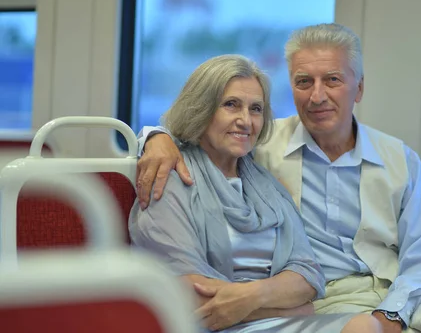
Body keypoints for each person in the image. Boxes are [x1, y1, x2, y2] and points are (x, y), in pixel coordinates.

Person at [136, 24, 421, 333]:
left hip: (394, 294)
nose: (317, 96)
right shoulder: (261, 148)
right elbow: (202, 131)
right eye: (303, 82)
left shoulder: (400, 159)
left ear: (359, 88)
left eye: (332, 80)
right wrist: (156, 138)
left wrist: (393, 314)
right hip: (319, 298)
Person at [129, 55, 381, 333]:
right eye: (231, 105)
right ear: (201, 109)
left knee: (366, 326)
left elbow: (308, 277)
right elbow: (191, 294)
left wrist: (254, 296)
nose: (245, 121)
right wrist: (292, 306)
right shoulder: (170, 178)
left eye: (256, 109)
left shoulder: (265, 184)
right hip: (212, 327)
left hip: (273, 320)